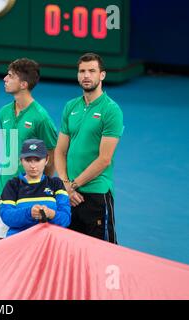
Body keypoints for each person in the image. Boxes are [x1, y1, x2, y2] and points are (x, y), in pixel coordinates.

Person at [55, 53, 124, 243]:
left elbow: (104, 159)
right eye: (82, 71)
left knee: (102, 256)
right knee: (69, 254)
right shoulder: (70, 107)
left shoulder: (111, 110)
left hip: (96, 194)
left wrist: (73, 185)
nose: (86, 75)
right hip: (69, 194)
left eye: (92, 71)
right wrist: (65, 185)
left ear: (102, 75)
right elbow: (60, 151)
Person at [0, 58, 58, 239]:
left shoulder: (41, 118)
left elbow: (52, 155)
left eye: (10, 76)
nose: (5, 78)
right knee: (1, 246)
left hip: (29, 195)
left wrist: (38, 186)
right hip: (4, 189)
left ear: (23, 84)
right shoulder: (4, 112)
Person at [0, 139, 70, 237]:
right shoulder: (12, 185)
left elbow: (66, 219)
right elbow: (6, 216)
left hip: (49, 241)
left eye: (37, 160)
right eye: (28, 160)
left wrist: (51, 214)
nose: (33, 165)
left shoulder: (56, 184)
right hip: (20, 242)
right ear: (21, 161)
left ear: (46, 160)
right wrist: (29, 213)